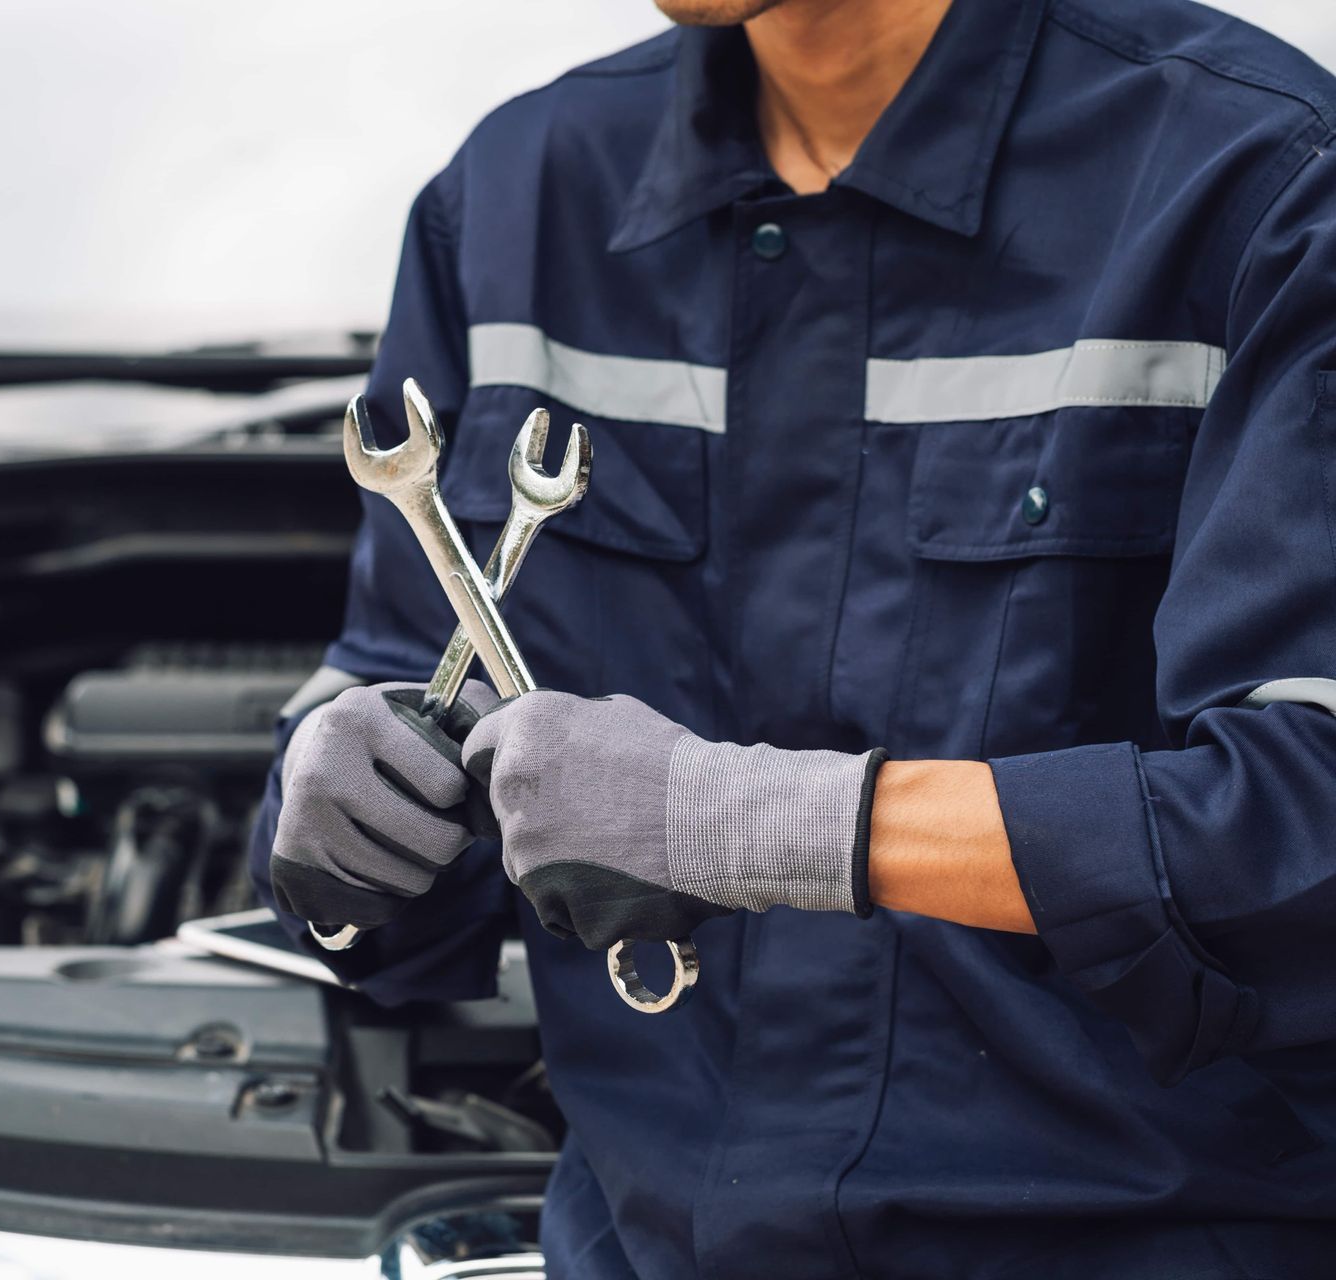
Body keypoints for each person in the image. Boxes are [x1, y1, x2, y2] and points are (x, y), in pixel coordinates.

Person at [249, 0, 1336, 1274]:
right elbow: (393, 768)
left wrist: (764, 821)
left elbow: (1303, 821)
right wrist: (340, 803)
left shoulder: (1260, 182)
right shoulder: (513, 198)